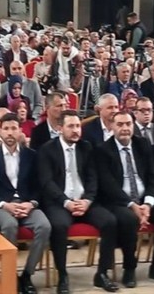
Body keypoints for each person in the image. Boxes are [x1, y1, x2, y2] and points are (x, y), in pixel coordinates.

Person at [38, 110, 119, 293]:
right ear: (60, 128)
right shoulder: (47, 150)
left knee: (109, 222)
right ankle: (63, 275)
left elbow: (92, 178)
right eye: (71, 126)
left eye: (78, 126)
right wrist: (66, 202)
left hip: (85, 201)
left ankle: (102, 274)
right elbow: (47, 182)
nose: (76, 130)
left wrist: (88, 200)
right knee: (59, 226)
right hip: (59, 202)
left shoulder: (86, 147)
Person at [96, 111, 154, 288]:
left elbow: (153, 176)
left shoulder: (143, 144)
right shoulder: (103, 150)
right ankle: (129, 268)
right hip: (119, 201)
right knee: (128, 219)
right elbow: (108, 185)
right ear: (111, 127)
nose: (125, 128)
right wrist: (132, 205)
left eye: (128, 124)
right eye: (120, 124)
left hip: (144, 198)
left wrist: (147, 203)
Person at [0, 114, 51, 294]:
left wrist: (31, 204)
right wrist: (4, 205)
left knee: (44, 226)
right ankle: (10, 275)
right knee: (9, 226)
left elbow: (38, 185)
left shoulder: (31, 156)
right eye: (6, 129)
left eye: (14, 128)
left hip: (27, 204)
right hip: (3, 206)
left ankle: (27, 274)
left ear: (20, 131)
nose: (10, 133)